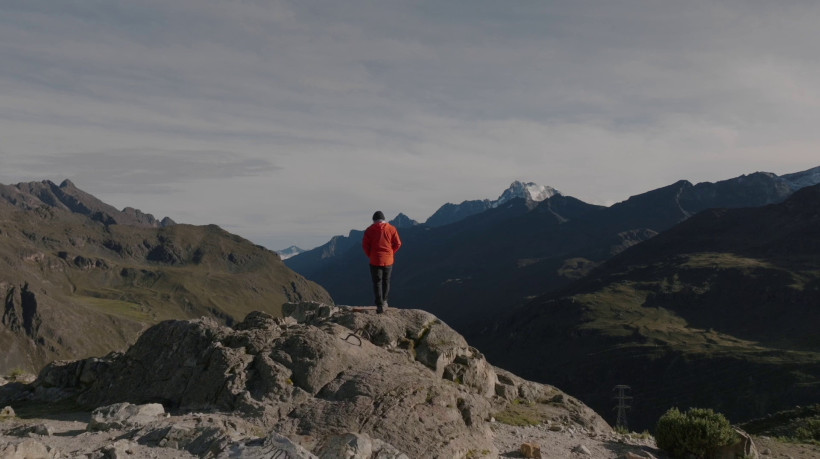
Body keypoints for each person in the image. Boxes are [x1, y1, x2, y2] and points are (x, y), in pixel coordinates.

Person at [362, 211, 402, 313]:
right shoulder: (392, 229)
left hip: (375, 260)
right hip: (388, 260)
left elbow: (365, 246)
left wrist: (370, 255)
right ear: (384, 219)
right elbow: (398, 243)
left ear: (374, 220)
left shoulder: (369, 230)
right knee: (386, 281)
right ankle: (385, 301)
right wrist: (391, 253)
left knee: (377, 283)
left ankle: (379, 305)